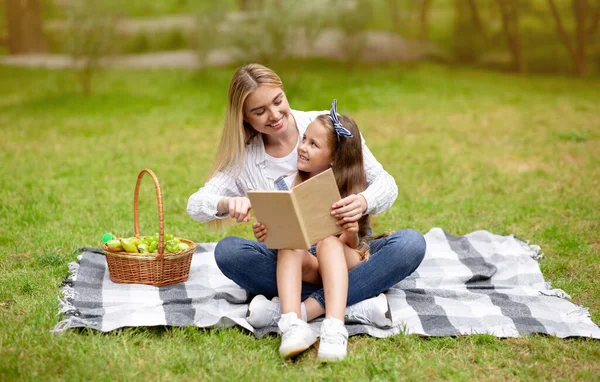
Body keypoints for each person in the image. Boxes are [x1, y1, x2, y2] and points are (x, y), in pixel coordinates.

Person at [187, 63, 426, 355]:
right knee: (228, 252)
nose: (274, 116)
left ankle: (299, 311)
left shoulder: (323, 125)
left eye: (277, 101)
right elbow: (196, 205)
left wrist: (364, 202)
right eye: (260, 112)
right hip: (293, 258)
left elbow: (386, 184)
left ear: (284, 92)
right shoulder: (244, 159)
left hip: (346, 250)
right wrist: (227, 204)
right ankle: (355, 302)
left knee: (410, 244)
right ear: (244, 118)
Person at [266, 100, 390, 361]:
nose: (302, 148)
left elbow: (352, 242)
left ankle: (333, 325)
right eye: (304, 139)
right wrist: (271, 231)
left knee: (333, 244)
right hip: (310, 264)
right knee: (282, 244)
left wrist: (350, 229)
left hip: (348, 258)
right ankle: (292, 324)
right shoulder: (291, 183)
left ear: (334, 158)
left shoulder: (349, 190)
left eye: (313, 144)